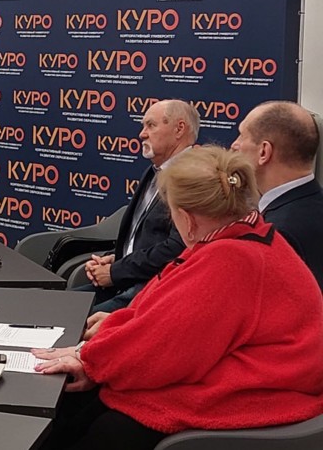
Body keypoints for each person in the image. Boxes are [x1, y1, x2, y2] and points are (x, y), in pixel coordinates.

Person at [34, 146, 323, 450]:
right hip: (276, 382)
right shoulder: (250, 236)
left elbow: (162, 349)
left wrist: (90, 359)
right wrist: (114, 333)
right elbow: (167, 320)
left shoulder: (229, 260)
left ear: (187, 219)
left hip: (266, 394)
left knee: (100, 425)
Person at [78, 99, 197, 313]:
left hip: (151, 292)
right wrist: (114, 259)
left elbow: (178, 248)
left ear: (179, 129)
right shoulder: (153, 171)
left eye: (151, 125)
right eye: (143, 126)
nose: (142, 134)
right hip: (125, 280)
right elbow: (147, 237)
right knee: (56, 307)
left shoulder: (194, 177)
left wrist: (116, 272)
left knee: (70, 320)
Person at [232, 100, 323, 290]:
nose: (235, 145)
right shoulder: (311, 206)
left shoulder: (276, 232)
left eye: (242, 135)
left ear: (264, 152)